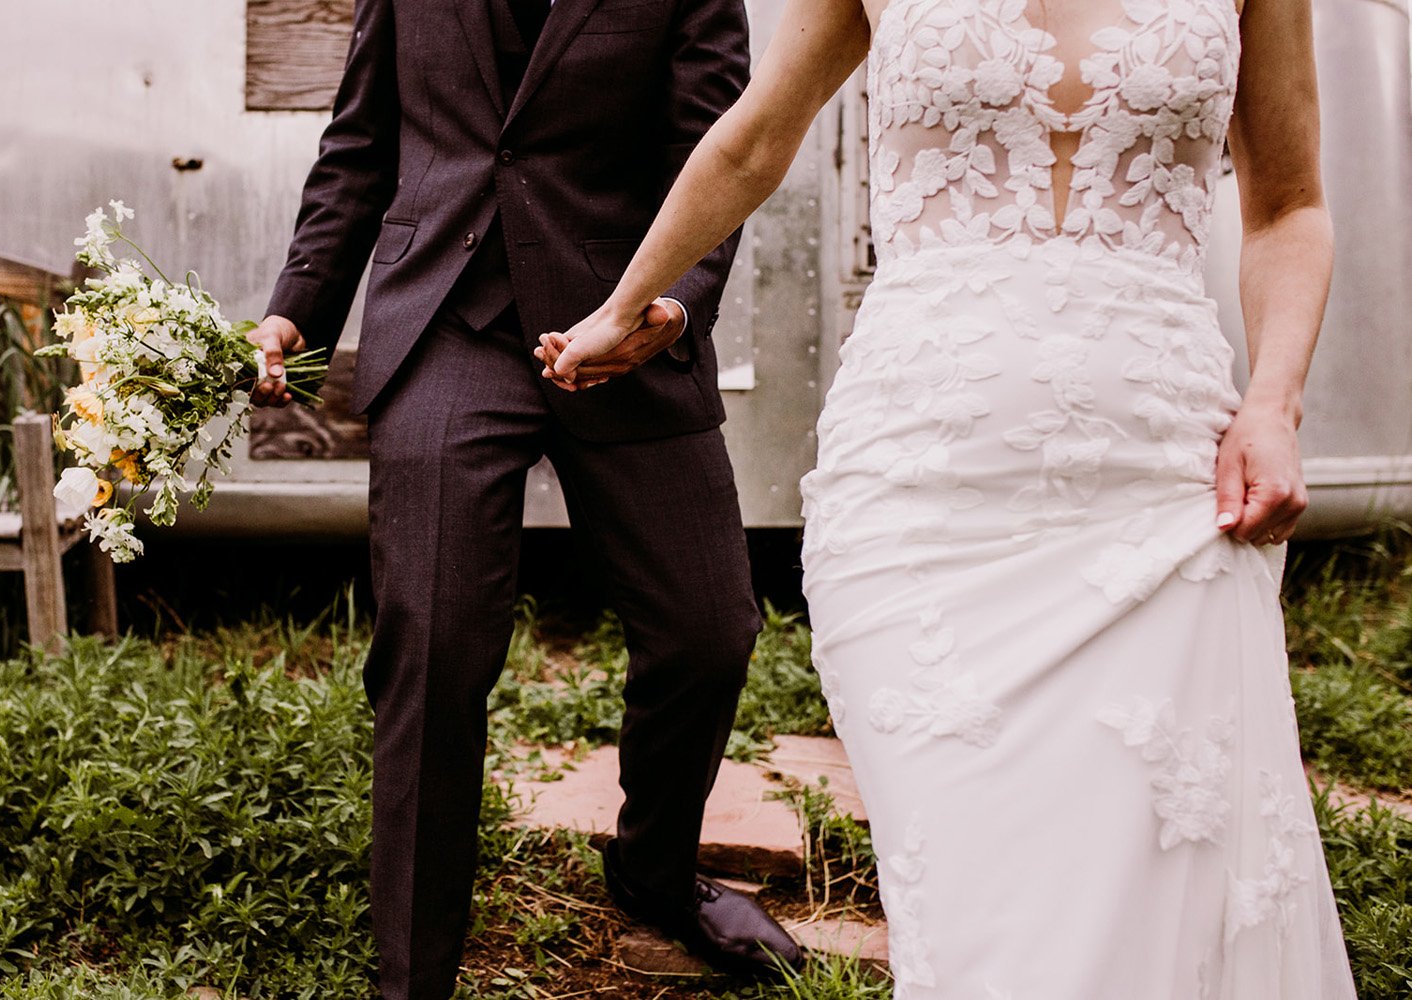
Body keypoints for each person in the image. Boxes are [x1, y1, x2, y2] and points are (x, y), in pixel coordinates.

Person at [539, 0, 1359, 994]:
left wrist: (1272, 403)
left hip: (1162, 483)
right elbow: (756, 139)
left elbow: (1288, 203)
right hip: (918, 487)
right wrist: (624, 308)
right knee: (983, 904)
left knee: (1147, 891)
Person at [247, 0, 805, 996]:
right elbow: (362, 148)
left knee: (708, 630)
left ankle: (653, 870)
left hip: (622, 312)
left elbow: (714, 153)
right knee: (437, 637)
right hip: (449, 322)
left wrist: (662, 311)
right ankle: (413, 974)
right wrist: (297, 310)